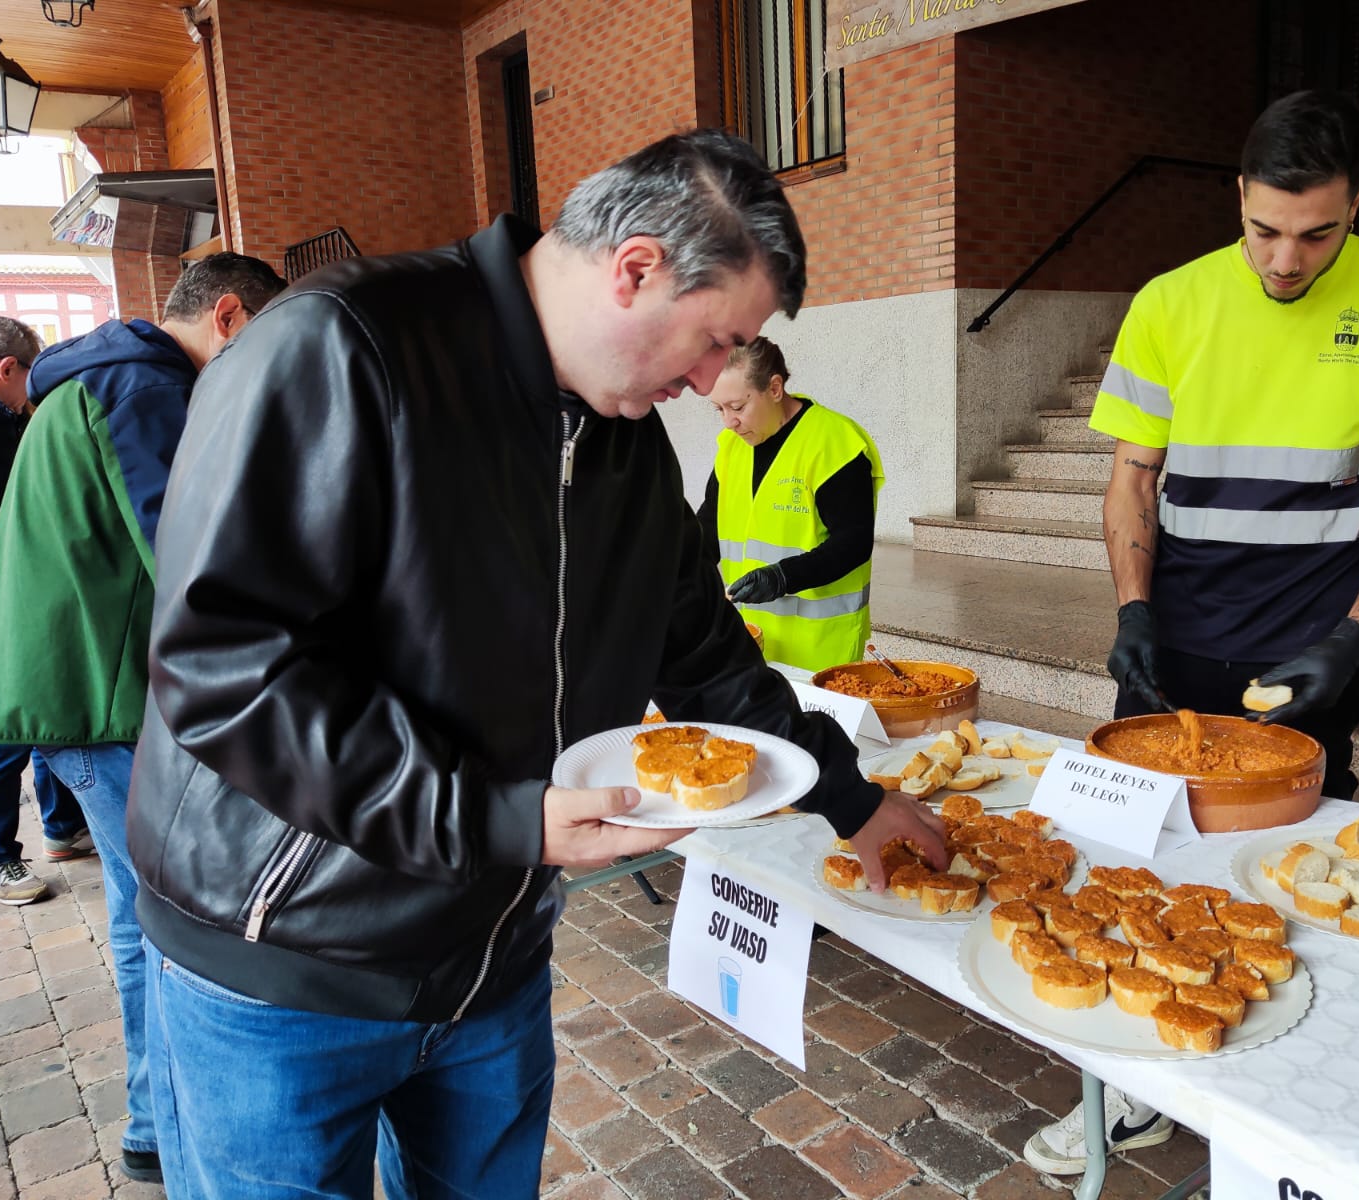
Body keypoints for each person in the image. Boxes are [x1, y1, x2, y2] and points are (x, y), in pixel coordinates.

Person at [125, 129, 945, 1200]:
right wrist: (496, 821)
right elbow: (223, 667)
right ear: (636, 267)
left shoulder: (624, 448)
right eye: (711, 341)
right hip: (286, 969)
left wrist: (850, 796)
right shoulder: (343, 345)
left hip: (492, 960)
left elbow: (702, 654)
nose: (710, 383)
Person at [1025, 89, 1359, 1177]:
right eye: (1264, 229)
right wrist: (1132, 611)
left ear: (1358, 204)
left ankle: (1293, 1120)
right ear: (1237, 197)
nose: (1285, 259)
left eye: (1317, 232)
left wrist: (1354, 637)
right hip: (1174, 648)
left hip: (1311, 656)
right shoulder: (1168, 304)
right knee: (1130, 872)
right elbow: (1130, 478)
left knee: (1308, 889)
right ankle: (1127, 1097)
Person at [0, 253, 288, 1185]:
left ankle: (154, 1118)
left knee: (135, 907)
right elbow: (192, 557)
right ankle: (174, 1127)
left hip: (69, 686)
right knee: (169, 918)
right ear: (229, 319)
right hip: (96, 696)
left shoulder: (95, 374)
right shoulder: (143, 388)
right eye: (268, 342)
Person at [0, 315, 94, 906]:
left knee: (49, 706)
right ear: (6, 369)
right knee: (3, 729)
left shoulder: (6, 420)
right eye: (31, 372)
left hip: (24, 589)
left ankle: (59, 827)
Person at [698, 335, 884, 671]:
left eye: (738, 407)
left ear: (774, 388)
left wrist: (783, 577)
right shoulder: (731, 446)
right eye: (719, 409)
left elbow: (854, 543)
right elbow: (709, 527)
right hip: (751, 641)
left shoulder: (834, 443)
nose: (728, 422)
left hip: (821, 651)